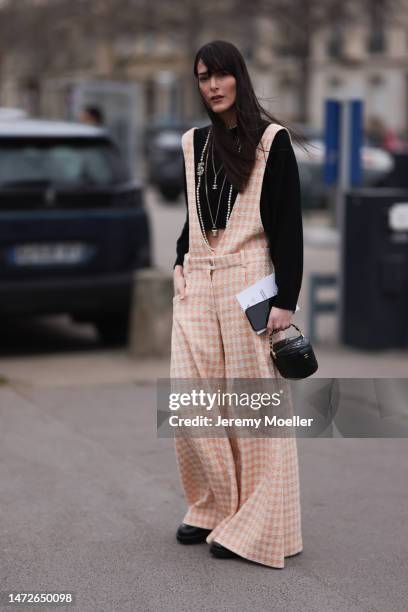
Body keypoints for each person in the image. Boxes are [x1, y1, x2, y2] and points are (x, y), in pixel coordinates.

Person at [170, 40, 304, 569]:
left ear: (239, 79)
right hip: (197, 283)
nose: (213, 85)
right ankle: (212, 505)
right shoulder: (193, 143)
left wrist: (286, 300)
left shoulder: (272, 142)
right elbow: (192, 216)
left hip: (251, 282)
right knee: (190, 401)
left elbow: (287, 228)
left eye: (222, 75)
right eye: (204, 77)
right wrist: (179, 260)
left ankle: (257, 521)